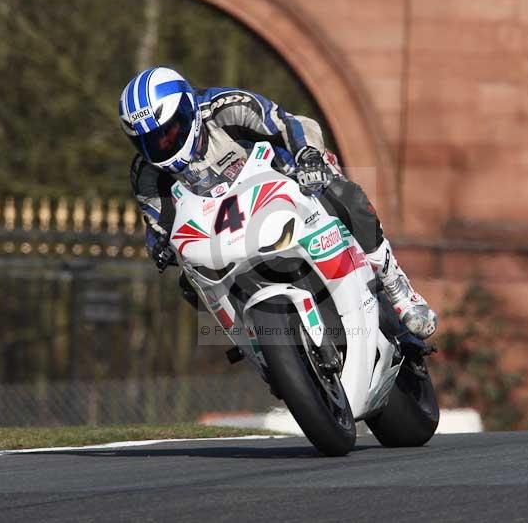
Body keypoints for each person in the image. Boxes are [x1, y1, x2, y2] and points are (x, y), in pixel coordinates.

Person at [119, 66, 437, 339]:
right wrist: (159, 246)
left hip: (286, 180)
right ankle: (252, 347)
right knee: (189, 281)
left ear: (188, 110)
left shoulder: (225, 107)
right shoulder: (147, 175)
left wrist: (307, 157)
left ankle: (397, 288)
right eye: (150, 140)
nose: (163, 142)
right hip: (227, 231)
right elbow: (159, 223)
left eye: (169, 130)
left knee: (343, 194)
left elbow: (286, 123)